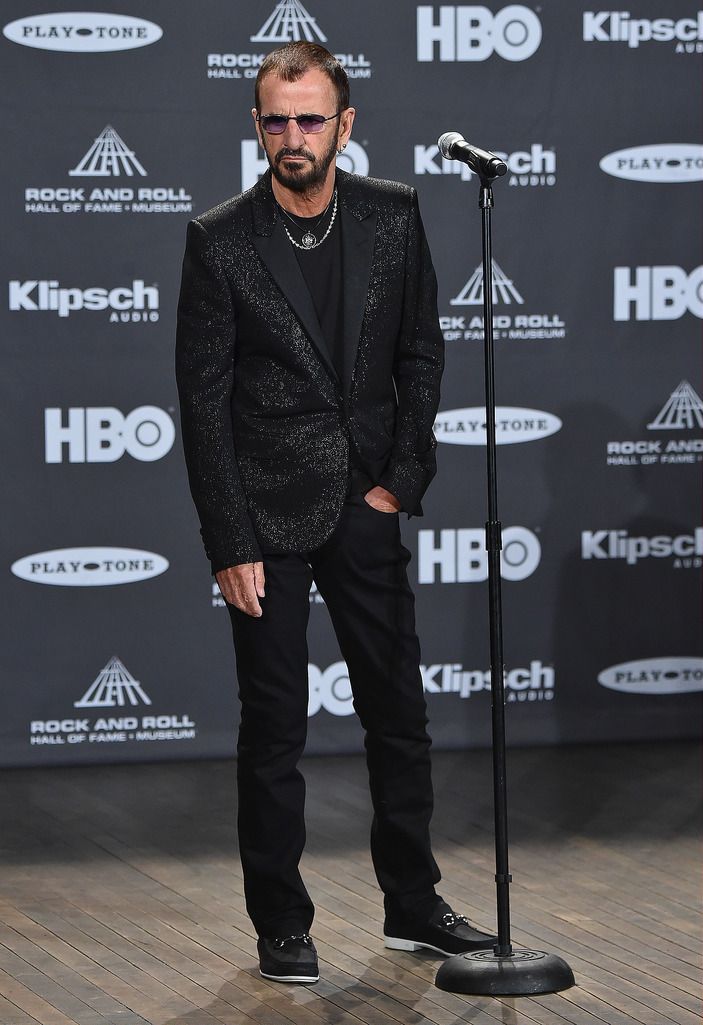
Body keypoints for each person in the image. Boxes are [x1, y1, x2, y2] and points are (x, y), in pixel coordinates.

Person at [176, 41, 496, 985]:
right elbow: (201, 403)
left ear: (343, 127)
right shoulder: (219, 237)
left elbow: (422, 353)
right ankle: (280, 918)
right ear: (257, 127)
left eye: (309, 119)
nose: (292, 137)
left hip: (365, 499)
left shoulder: (393, 215)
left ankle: (412, 903)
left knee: (398, 713)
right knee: (272, 727)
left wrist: (399, 479)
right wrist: (227, 538)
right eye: (276, 119)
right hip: (265, 516)